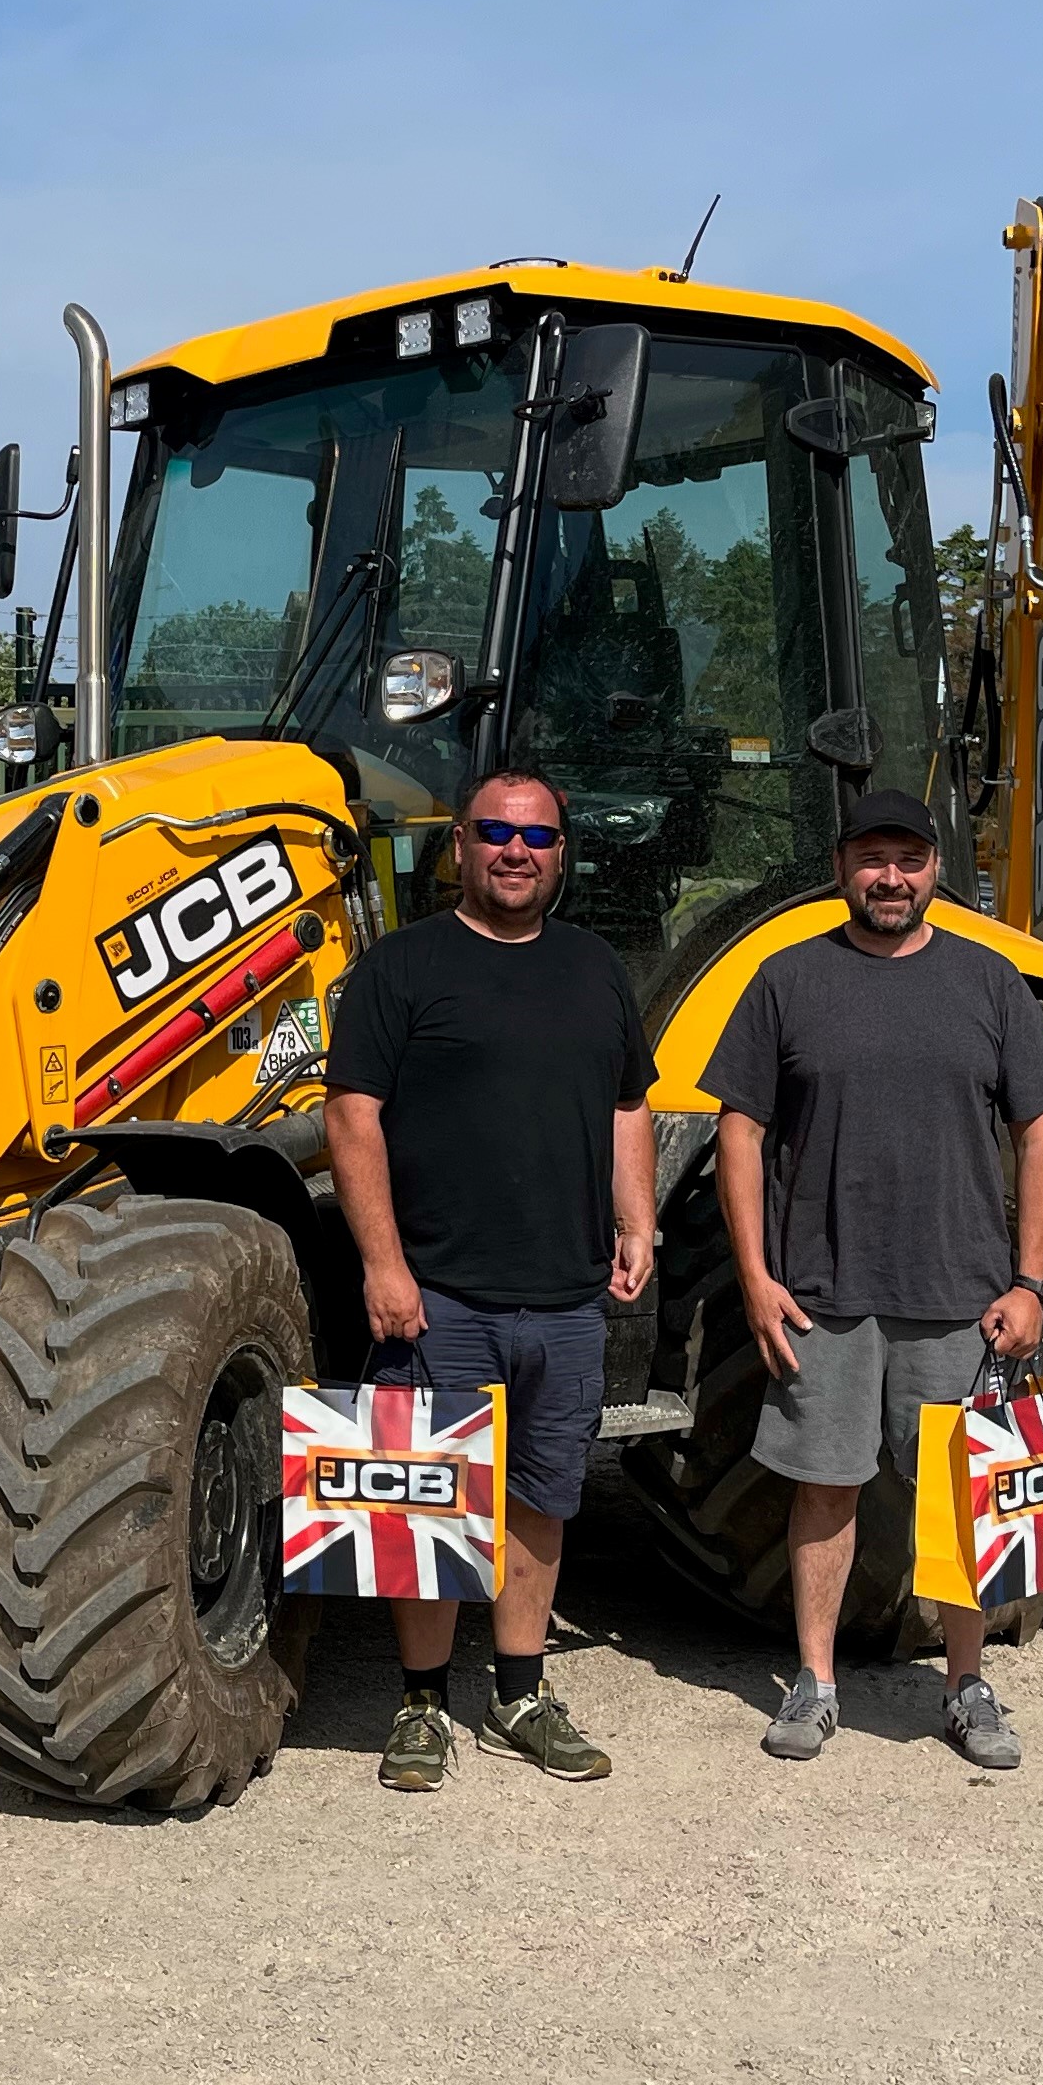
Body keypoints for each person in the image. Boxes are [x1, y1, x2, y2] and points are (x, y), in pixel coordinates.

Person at [703, 784, 1043, 1770]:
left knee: (956, 1497)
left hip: (959, 1291)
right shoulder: (786, 980)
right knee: (825, 1485)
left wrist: (1030, 1282)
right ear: (842, 867)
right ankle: (815, 1684)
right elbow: (738, 1129)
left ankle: (966, 1684)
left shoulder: (989, 984)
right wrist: (753, 1274)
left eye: (909, 859)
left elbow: (1041, 1133)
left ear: (935, 867)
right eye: (874, 858)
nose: (892, 877)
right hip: (823, 1293)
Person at [323, 767, 657, 1791]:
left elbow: (628, 1103)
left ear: (563, 852)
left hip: (563, 1299)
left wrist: (636, 1219)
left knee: (539, 1502)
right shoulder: (406, 969)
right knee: (427, 1507)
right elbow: (351, 1116)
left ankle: (518, 1692)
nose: (518, 851)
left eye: (539, 835)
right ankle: (422, 1703)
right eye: (497, 832)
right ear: (459, 847)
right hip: (440, 1297)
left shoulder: (595, 969)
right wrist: (383, 1266)